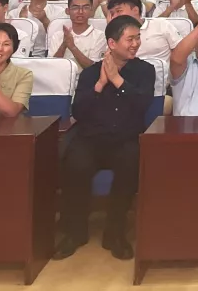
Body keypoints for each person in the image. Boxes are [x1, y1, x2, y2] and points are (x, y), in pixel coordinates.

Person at [55, 15, 156, 261]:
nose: (136, 43)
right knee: (75, 165)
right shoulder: (90, 73)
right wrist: (101, 84)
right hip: (91, 138)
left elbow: (143, 104)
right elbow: (78, 111)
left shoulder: (145, 70)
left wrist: (118, 81)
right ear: (112, 43)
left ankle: (116, 233)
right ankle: (75, 233)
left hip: (125, 138)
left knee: (130, 163)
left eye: (138, 38)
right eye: (130, 39)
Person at [48, 0, 107, 68]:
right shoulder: (58, 35)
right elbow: (51, 66)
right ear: (68, 11)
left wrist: (72, 47)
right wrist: (64, 44)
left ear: (91, 10)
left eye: (85, 7)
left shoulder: (100, 36)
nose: (80, 11)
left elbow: (94, 69)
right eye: (75, 8)